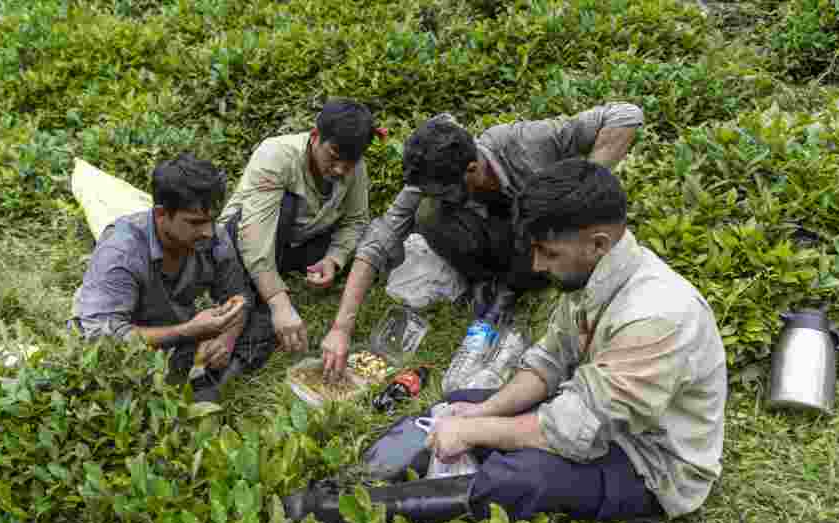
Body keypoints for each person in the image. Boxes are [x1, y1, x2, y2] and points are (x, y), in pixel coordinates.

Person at [284, 159, 727, 523]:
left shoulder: (657, 316)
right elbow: (549, 363)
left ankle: (336, 514)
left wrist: (477, 431)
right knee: (458, 402)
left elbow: (576, 430)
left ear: (597, 244)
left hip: (649, 462)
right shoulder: (599, 276)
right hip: (595, 412)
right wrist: (481, 413)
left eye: (547, 253)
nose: (536, 265)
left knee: (515, 479)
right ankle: (361, 480)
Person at [321, 103, 643, 383]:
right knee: (427, 213)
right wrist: (341, 327)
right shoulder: (433, 178)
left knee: (529, 215)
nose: (435, 195)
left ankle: (514, 287)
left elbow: (625, 115)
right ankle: (487, 281)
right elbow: (378, 241)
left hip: (537, 237)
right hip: (493, 240)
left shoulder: (524, 143)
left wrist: (579, 193)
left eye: (444, 191)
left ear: (472, 168)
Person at [70, 152, 273, 402]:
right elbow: (102, 335)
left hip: (178, 336)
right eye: (195, 222)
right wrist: (189, 330)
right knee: (115, 377)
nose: (208, 231)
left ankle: (206, 384)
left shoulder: (214, 237)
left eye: (212, 220)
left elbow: (239, 296)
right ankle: (198, 390)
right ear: (161, 214)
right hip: (129, 344)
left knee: (265, 322)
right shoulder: (122, 252)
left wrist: (226, 338)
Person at [218, 98, 383, 355]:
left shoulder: (355, 168)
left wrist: (333, 259)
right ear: (316, 136)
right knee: (285, 205)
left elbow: (356, 220)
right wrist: (278, 302)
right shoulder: (277, 155)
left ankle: (267, 286)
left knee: (370, 237)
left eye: (349, 164)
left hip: (297, 241)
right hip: (243, 239)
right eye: (334, 157)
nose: (340, 170)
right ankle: (256, 295)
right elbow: (253, 237)